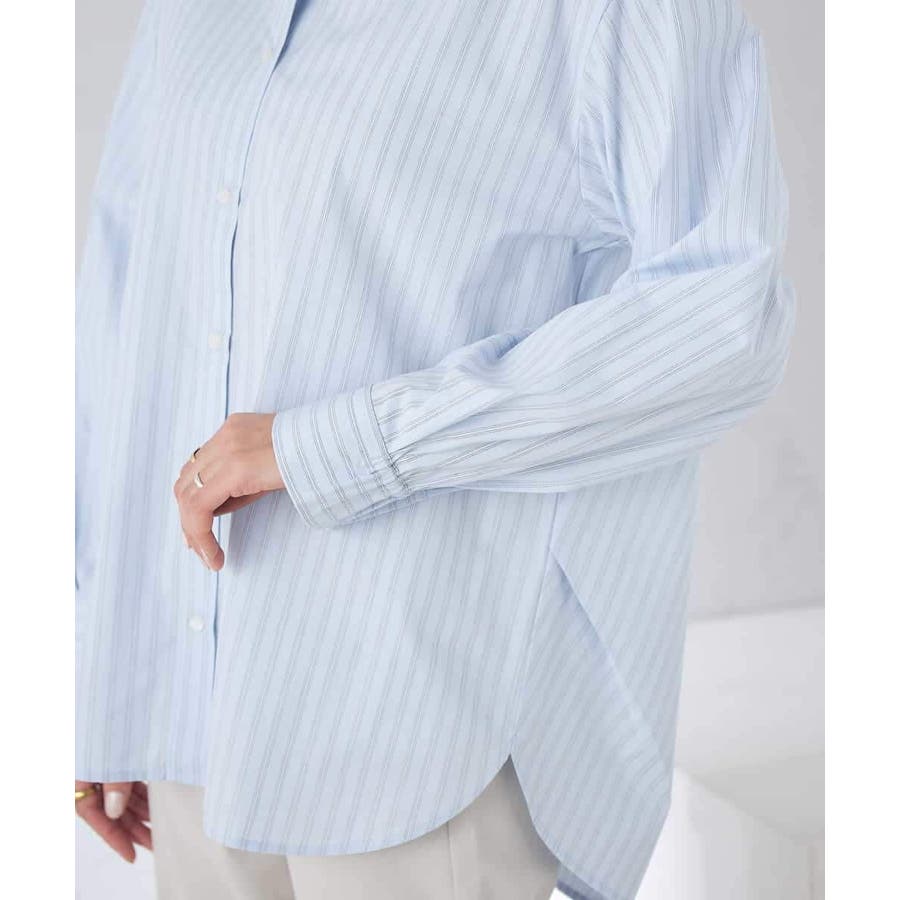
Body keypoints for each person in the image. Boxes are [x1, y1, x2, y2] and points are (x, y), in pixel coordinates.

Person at [75, 0, 795, 897]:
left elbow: (723, 318)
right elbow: (122, 302)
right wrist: (101, 666)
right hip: (187, 706)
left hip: (416, 714)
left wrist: (337, 446)